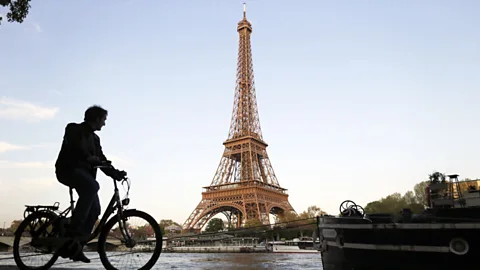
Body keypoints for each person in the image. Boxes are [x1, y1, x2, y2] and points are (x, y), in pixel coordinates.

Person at [54, 105, 126, 263]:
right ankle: (74, 230)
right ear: (97, 118)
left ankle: (76, 246)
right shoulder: (73, 128)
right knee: (92, 187)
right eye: (104, 120)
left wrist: (115, 172)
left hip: (84, 175)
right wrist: (87, 158)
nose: (104, 124)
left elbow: (101, 159)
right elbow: (75, 147)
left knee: (95, 210)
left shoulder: (95, 139)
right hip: (68, 170)